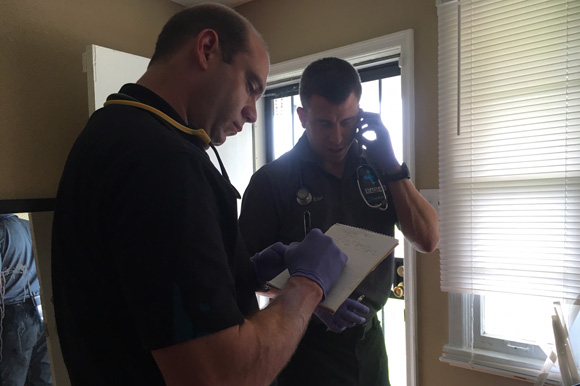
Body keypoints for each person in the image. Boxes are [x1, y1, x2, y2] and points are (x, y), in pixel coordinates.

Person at [51, 4, 348, 386]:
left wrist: (244, 271)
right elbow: (222, 376)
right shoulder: (164, 163)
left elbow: (145, 292)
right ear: (207, 48)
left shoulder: (109, 130)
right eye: (252, 86)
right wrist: (308, 284)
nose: (254, 113)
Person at [239, 57, 440, 386]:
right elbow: (249, 275)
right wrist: (316, 301)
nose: (337, 136)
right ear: (302, 117)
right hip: (302, 348)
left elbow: (428, 239)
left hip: (369, 344)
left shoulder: (378, 169)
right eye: (323, 124)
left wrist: (391, 166)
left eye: (347, 122)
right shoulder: (272, 181)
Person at [0, 214, 52, 386]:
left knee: (11, 378)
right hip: (41, 308)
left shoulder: (2, 231)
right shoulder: (28, 225)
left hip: (14, 316)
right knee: (43, 376)